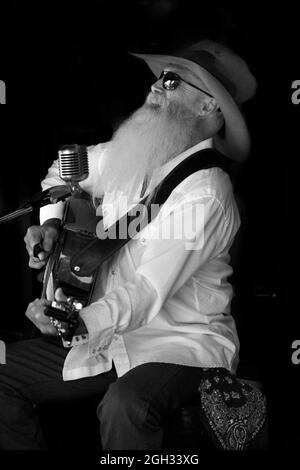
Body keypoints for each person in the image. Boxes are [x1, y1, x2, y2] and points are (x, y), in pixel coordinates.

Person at [0, 40, 260, 450]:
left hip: (179, 345)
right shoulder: (131, 153)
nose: (158, 85)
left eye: (173, 81)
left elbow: (147, 289)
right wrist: (51, 226)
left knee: (127, 405)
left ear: (209, 106)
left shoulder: (206, 192)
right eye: (161, 77)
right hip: (109, 340)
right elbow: (61, 176)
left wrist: (78, 322)